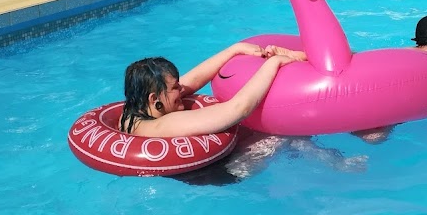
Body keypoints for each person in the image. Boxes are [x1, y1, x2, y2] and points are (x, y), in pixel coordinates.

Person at [119, 41, 304, 137]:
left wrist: (235, 49)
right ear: (154, 99)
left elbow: (193, 80)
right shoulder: (165, 125)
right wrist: (273, 63)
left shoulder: (131, 114)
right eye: (175, 87)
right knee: (275, 139)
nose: (182, 88)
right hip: (221, 175)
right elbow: (239, 108)